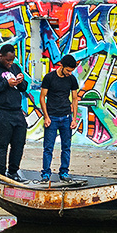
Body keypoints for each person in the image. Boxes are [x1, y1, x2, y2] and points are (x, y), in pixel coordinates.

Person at [0, 43, 28, 181]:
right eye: (8, 60)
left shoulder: (14, 67)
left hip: (16, 111)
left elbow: (24, 88)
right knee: (2, 144)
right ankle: (1, 173)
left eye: (12, 60)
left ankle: (13, 171)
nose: (10, 63)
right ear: (0, 56)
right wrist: (5, 84)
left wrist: (20, 81)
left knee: (19, 142)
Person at [39, 54, 80, 182]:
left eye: (71, 71)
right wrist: (46, 117)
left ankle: (64, 172)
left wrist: (74, 119)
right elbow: (42, 97)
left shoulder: (72, 79)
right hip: (52, 118)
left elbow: (74, 99)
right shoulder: (49, 78)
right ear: (61, 65)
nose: (69, 73)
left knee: (66, 147)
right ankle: (45, 174)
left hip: (66, 117)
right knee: (48, 148)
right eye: (68, 70)